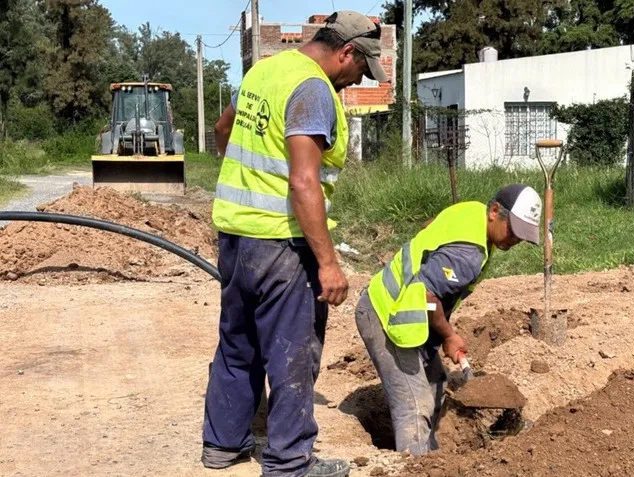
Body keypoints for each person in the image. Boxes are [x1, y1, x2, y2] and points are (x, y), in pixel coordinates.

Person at [201, 11, 389, 477]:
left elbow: (223, 131)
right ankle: (290, 462)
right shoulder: (313, 89)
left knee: (237, 342)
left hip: (235, 236)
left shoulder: (265, 70)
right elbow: (305, 182)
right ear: (346, 52)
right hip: (281, 246)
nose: (357, 79)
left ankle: (223, 445)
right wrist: (327, 263)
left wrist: (246, 177)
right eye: (360, 69)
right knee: (293, 352)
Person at [354, 184, 542, 455]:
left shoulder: (471, 212)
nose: (516, 240)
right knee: (416, 405)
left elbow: (430, 225)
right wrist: (449, 335)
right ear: (495, 211)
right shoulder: (468, 255)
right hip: (387, 316)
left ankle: (436, 457)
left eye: (523, 236)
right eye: (514, 230)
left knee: (437, 386)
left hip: (406, 314)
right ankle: (415, 467)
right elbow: (426, 296)